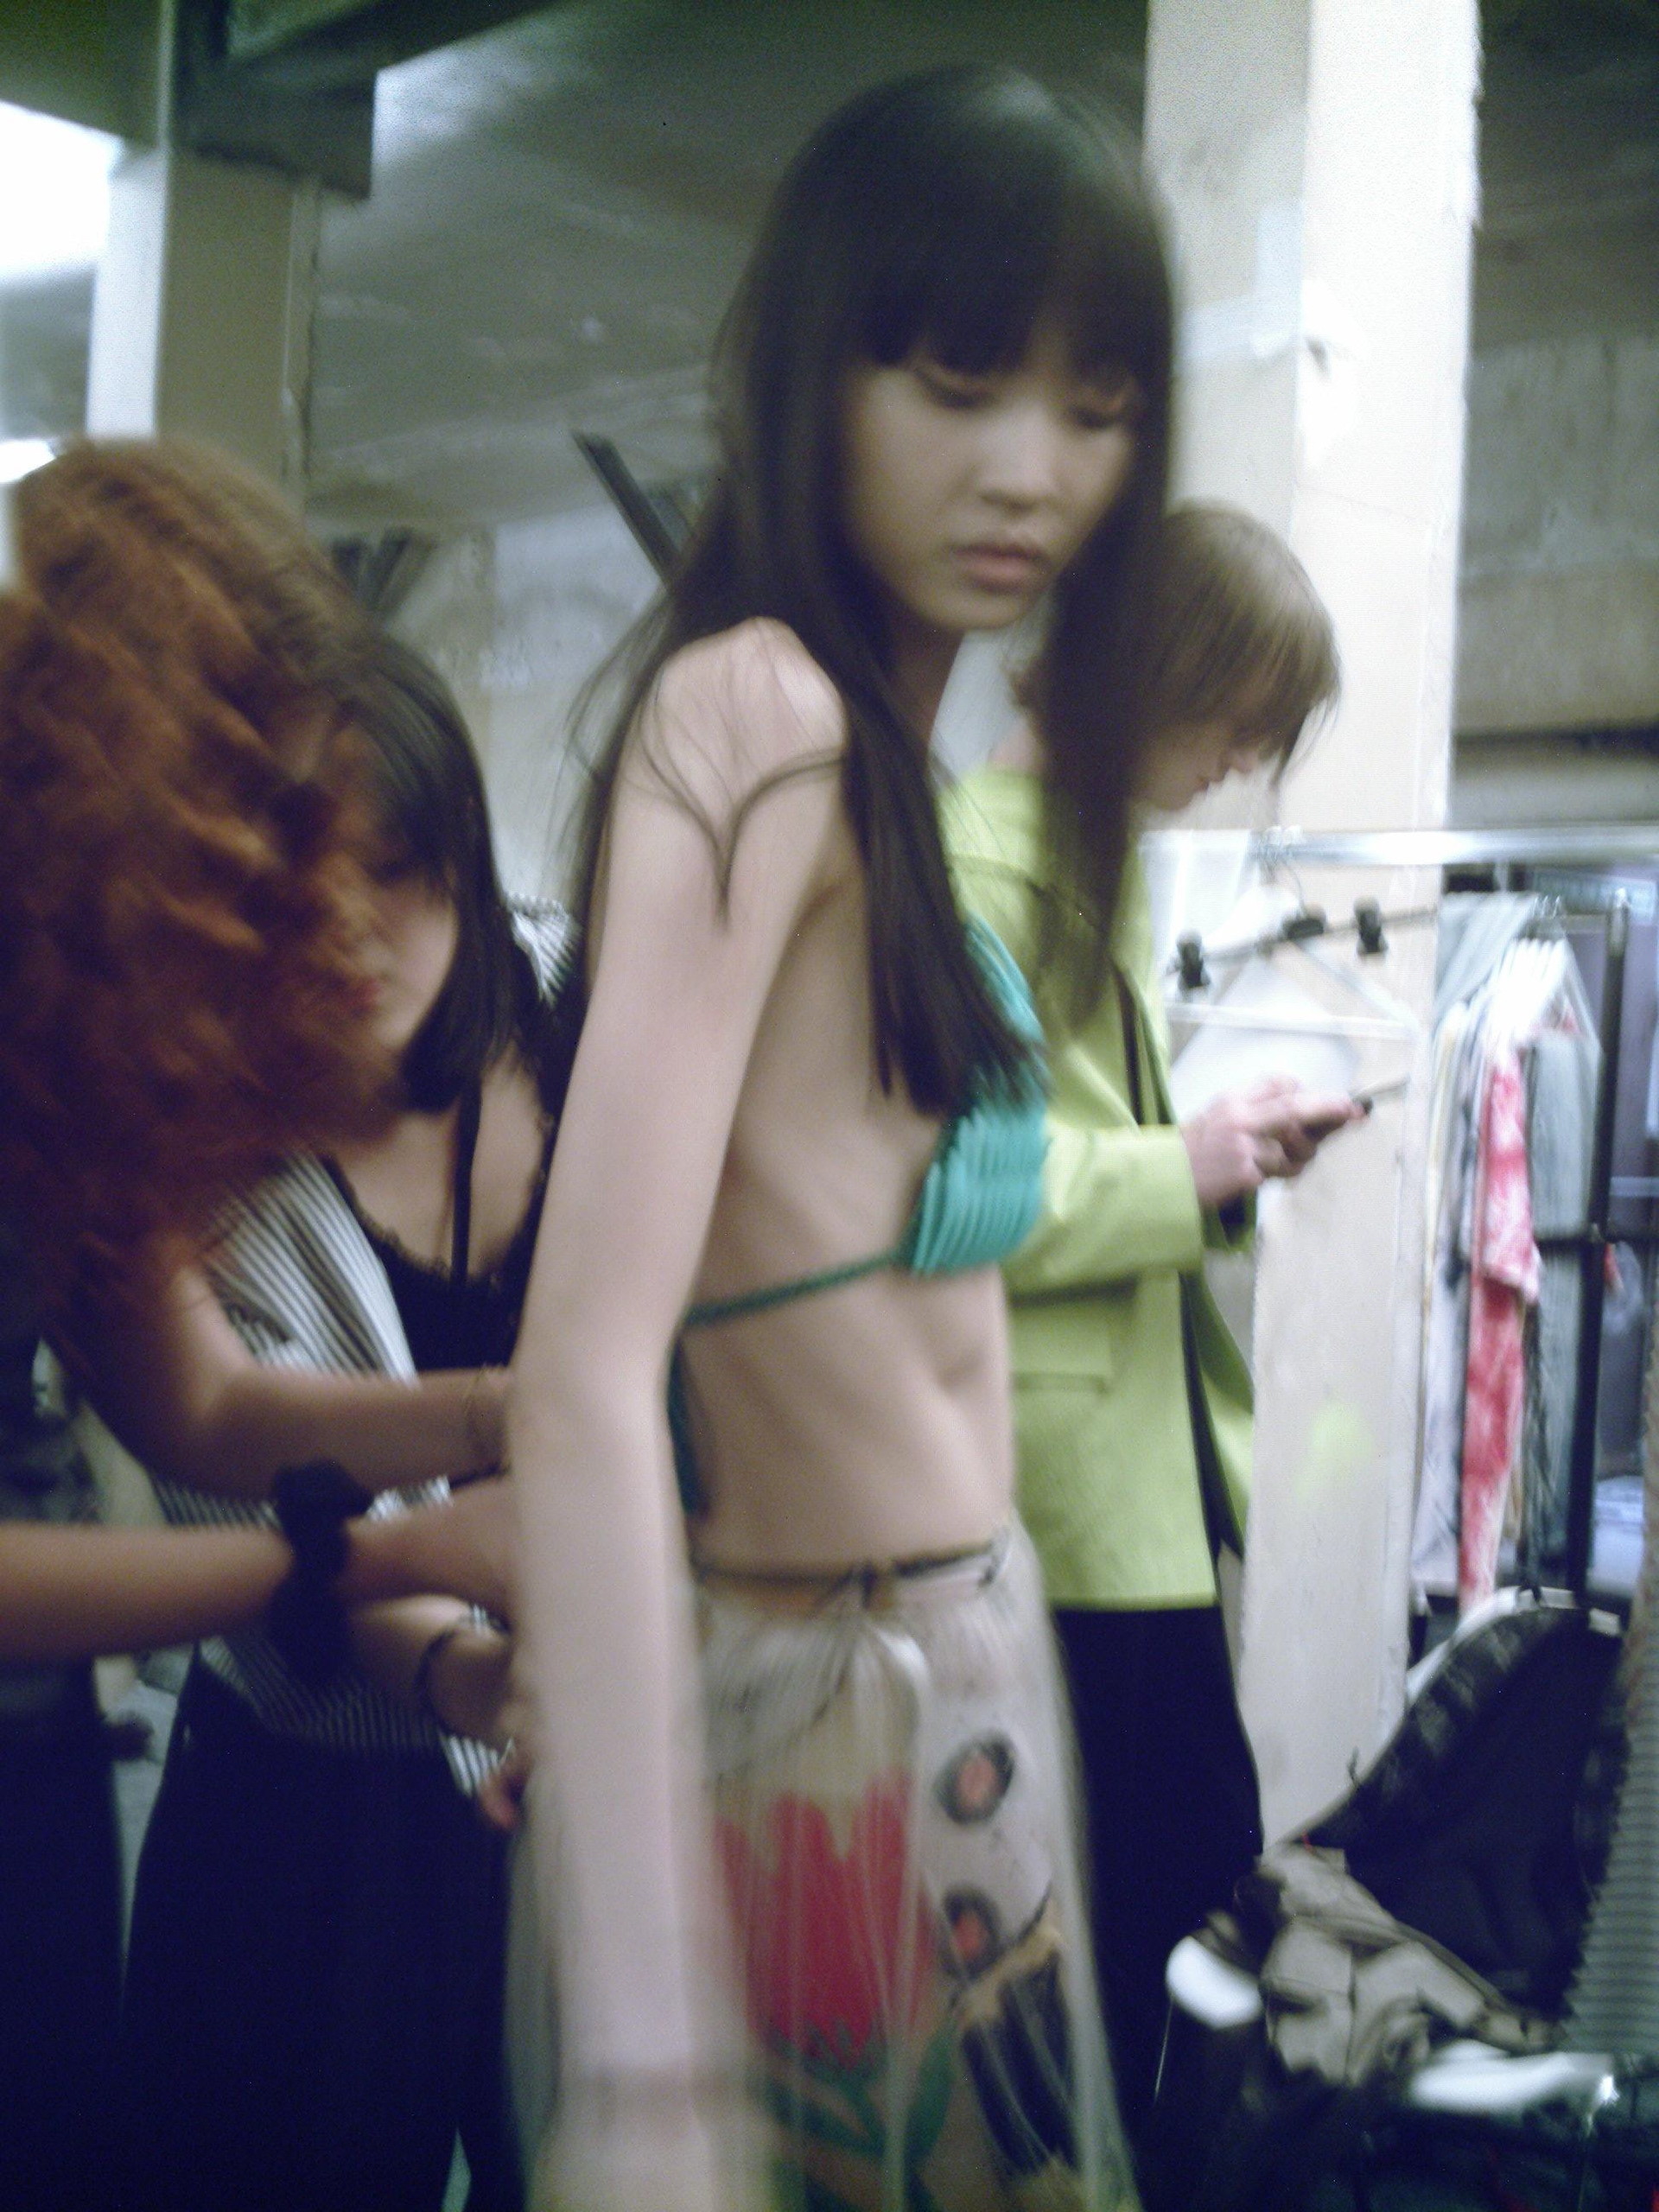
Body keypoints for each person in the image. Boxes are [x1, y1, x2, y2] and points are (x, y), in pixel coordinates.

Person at [506, 66, 1172, 2212]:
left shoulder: (881, 751)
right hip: (828, 1702)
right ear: (820, 368)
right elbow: (581, 1369)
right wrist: (639, 2052)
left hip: (944, 1667)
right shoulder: (760, 714)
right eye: (958, 382)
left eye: (1095, 406)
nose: (1032, 468)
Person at [0, 441, 517, 2211]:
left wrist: (494, 1412)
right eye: (258, 828)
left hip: (35, 1764)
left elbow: (205, 1406)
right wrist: (368, 1563)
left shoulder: (77, 1013)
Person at [101, 634, 576, 2212]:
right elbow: (260, 1499)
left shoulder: (585, 1023)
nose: (353, 932)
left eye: (395, 868)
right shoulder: (200, 1144)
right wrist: (473, 1671)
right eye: (295, 886)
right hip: (306, 1814)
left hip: (596, 1761)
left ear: (464, 852)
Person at [943, 500, 1357, 2174]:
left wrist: (1214, 1159)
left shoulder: (1075, 861)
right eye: (1239, 716)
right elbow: (951, 1197)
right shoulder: (983, 864)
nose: (1243, 758)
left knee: (1173, 1923)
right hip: (1060, 1506)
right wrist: (1186, 1165)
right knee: (1131, 1952)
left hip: (1131, 1492)